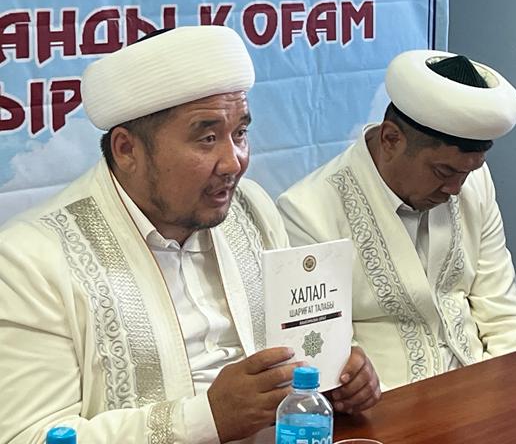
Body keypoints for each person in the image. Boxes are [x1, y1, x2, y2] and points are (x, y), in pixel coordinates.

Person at [0, 26, 380, 444]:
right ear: (127, 150)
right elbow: (28, 437)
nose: (233, 163)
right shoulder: (31, 260)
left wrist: (335, 377)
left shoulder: (250, 208)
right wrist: (208, 419)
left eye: (240, 134)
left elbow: (297, 351)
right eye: (207, 138)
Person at [277, 50, 516, 390]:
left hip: (482, 391)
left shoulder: (474, 182)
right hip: (385, 405)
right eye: (443, 171)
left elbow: (504, 314)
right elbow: (321, 355)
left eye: (468, 172)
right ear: (391, 139)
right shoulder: (307, 212)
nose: (456, 189)